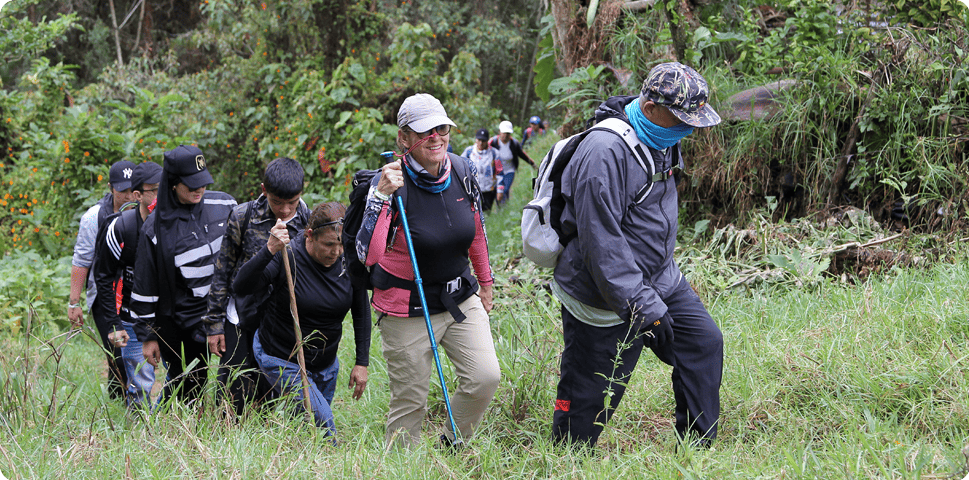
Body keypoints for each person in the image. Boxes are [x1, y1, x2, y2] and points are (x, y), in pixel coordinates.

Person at [550, 62, 724, 448]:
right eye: (683, 119)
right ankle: (566, 460)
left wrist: (658, 293)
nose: (690, 129)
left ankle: (697, 450)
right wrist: (646, 308)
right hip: (600, 294)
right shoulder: (604, 153)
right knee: (594, 395)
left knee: (703, 343)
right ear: (649, 109)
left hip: (659, 279)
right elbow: (602, 247)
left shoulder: (661, 137)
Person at [356, 93, 500, 448]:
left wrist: (486, 282)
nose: (436, 137)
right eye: (424, 131)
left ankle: (451, 444)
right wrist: (380, 197)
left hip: (459, 297)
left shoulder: (463, 170)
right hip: (406, 307)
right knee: (410, 403)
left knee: (485, 378)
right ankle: (401, 466)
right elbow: (367, 255)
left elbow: (476, 230)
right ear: (403, 138)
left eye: (441, 128)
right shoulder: (389, 183)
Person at [233, 202, 370, 434]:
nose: (336, 253)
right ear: (310, 236)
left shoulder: (348, 259)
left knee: (306, 431)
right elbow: (241, 286)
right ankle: (332, 465)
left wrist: (362, 362)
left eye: (341, 245)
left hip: (326, 363)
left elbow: (361, 310)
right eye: (328, 244)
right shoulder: (288, 255)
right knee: (323, 423)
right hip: (282, 357)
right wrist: (269, 250)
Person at [203, 157, 311, 418]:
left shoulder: (307, 216)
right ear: (264, 190)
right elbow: (223, 271)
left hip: (278, 317)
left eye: (292, 202)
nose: (285, 210)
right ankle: (224, 435)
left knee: (271, 386)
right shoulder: (243, 215)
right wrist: (215, 324)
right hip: (240, 314)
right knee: (233, 386)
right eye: (277, 202)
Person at [131, 145, 237, 405]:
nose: (198, 190)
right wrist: (148, 335)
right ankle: (172, 431)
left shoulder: (224, 204)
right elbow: (145, 285)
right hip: (185, 319)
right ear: (173, 184)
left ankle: (232, 425)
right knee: (189, 382)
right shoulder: (155, 228)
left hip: (229, 310)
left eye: (202, 183)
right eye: (191, 186)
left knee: (236, 377)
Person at [92, 161, 163, 407]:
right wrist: (113, 323)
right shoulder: (121, 227)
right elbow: (103, 276)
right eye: (154, 190)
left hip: (169, 315)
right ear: (138, 195)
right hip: (132, 315)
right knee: (139, 382)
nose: (160, 196)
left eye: (164, 189)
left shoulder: (178, 224)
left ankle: (172, 424)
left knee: (181, 375)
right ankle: (142, 430)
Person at [69, 159, 137, 400]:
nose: (129, 195)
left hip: (135, 292)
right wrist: (74, 303)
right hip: (105, 293)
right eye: (122, 190)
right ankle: (119, 401)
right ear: (111, 187)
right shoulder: (93, 218)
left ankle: (125, 396)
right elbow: (81, 260)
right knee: (117, 348)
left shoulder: (147, 213)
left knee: (131, 351)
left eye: (133, 189)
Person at [489, 121, 534, 206]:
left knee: (505, 190)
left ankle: (503, 209)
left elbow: (522, 154)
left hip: (509, 171)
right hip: (496, 172)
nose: (505, 135)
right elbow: (485, 151)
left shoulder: (514, 143)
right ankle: (501, 208)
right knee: (497, 190)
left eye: (508, 133)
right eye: (504, 133)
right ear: (499, 132)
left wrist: (532, 163)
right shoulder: (493, 142)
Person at [461, 128, 504, 212]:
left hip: (489, 189)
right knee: (473, 213)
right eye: (479, 140)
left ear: (487, 141)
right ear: (476, 139)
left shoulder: (494, 153)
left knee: (486, 213)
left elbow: (500, 172)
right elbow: (460, 167)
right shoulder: (469, 152)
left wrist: (500, 190)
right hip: (472, 189)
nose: (481, 143)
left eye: (483, 141)